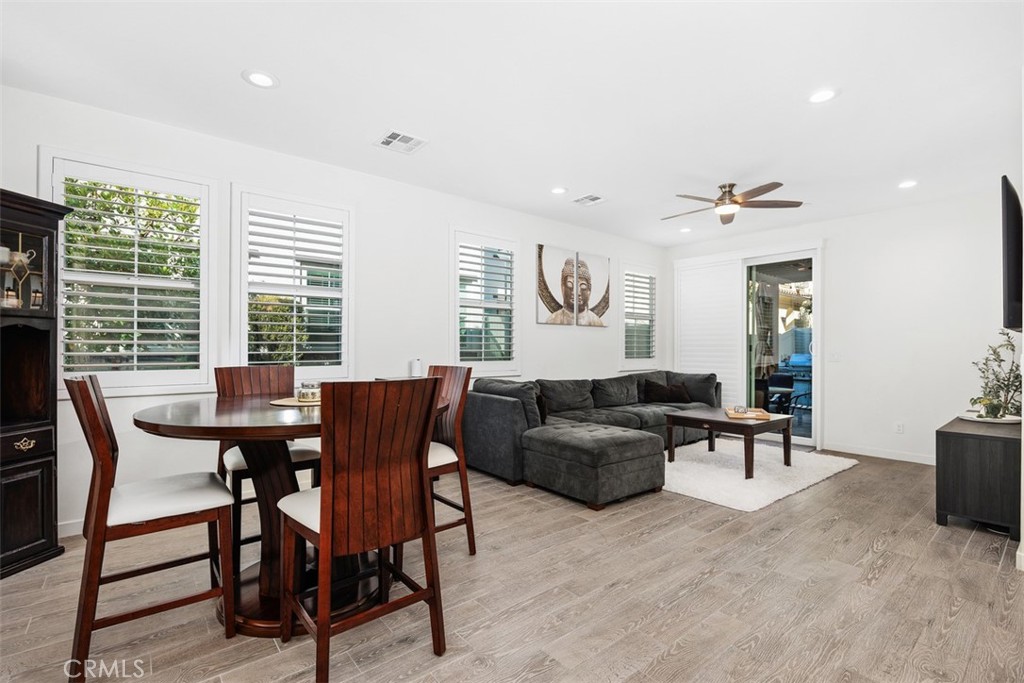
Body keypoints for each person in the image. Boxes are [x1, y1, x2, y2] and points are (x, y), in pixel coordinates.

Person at [545, 257, 605, 326]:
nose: (576, 292)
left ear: (589, 290)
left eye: (583, 286)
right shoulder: (552, 320)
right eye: (570, 284)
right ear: (563, 287)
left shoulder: (596, 322)